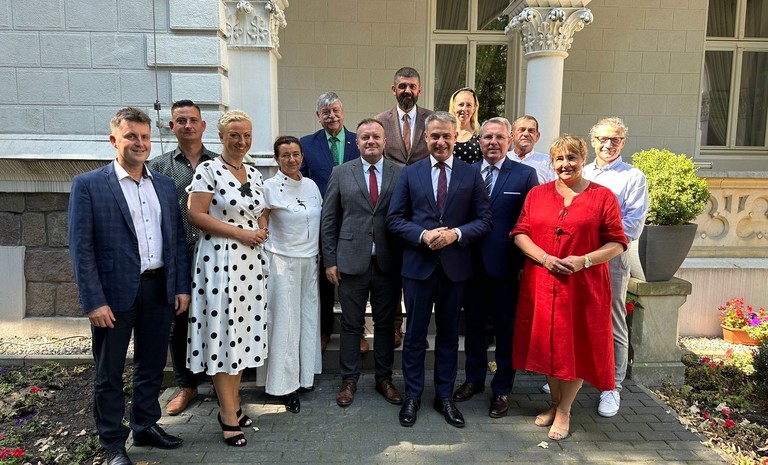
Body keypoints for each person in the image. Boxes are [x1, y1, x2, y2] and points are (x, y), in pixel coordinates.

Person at [69, 107, 190, 465]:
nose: (139, 143)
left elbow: (176, 240)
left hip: (159, 288)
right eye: (131, 137)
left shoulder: (164, 185)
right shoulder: (89, 184)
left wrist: (180, 287)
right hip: (113, 295)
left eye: (144, 137)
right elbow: (81, 248)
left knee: (151, 364)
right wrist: (93, 301)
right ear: (114, 140)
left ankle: (145, 425)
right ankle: (112, 443)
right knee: (109, 372)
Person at [511, 134, 627, 441]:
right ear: (552, 162)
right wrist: (545, 258)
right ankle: (553, 402)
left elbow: (617, 242)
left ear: (583, 159)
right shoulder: (537, 194)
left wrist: (584, 260)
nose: (565, 164)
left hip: (584, 286)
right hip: (542, 282)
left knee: (576, 345)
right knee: (548, 344)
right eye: (559, 158)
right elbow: (520, 233)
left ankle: (564, 410)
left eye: (572, 157)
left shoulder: (603, 197)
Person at [387, 111, 492, 428]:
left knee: (448, 337)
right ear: (425, 137)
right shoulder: (410, 173)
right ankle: (413, 396)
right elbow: (394, 219)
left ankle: (444, 396)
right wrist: (422, 235)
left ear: (455, 137)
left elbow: (484, 220)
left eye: (447, 136)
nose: (441, 141)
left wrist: (455, 234)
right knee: (415, 336)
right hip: (418, 269)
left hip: (455, 269)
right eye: (435, 136)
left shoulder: (471, 174)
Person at [186, 110, 269, 447]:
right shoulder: (208, 169)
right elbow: (195, 214)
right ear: (221, 137)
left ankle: (233, 405)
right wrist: (241, 233)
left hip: (249, 264)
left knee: (242, 335)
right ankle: (227, 415)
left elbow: (261, 211)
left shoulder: (255, 172)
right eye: (234, 135)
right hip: (220, 262)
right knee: (224, 336)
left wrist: (260, 228)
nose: (241, 141)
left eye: (246, 135)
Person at [451, 118, 538, 418]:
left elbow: (532, 223)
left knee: (505, 331)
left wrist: (525, 264)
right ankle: (474, 380)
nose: (493, 143)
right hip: (470, 266)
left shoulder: (525, 175)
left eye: (499, 137)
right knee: (474, 328)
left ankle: (502, 389)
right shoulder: (466, 173)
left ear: (509, 140)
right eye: (487, 137)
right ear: (479, 141)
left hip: (507, 268)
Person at [321, 119, 404, 408]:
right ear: (356, 142)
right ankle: (349, 380)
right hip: (350, 261)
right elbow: (329, 219)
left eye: (376, 137)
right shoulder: (341, 172)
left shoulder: (400, 173)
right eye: (365, 137)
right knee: (351, 324)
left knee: (385, 324)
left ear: (385, 141)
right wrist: (330, 260)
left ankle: (384, 379)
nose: (371, 141)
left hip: (388, 262)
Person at [148, 99, 216, 416]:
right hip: (178, 253)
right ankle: (187, 384)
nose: (188, 125)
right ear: (172, 126)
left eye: (193, 120)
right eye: (181, 121)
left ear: (203, 126)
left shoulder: (219, 164)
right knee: (180, 319)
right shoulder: (158, 167)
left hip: (215, 253)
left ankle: (220, 381)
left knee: (217, 315)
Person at [583, 117, 649, 418]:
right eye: (603, 139)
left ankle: (612, 386)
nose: (609, 144)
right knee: (578, 316)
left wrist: (591, 236)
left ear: (623, 142)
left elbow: (631, 225)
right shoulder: (582, 173)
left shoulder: (633, 177)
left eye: (616, 139)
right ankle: (574, 374)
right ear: (593, 141)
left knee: (613, 321)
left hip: (611, 258)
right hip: (578, 259)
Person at [262, 135, 323, 414]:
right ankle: (285, 386)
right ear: (277, 159)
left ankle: (305, 376)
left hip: (309, 261)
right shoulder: (268, 187)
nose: (291, 159)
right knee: (285, 325)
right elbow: (261, 223)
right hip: (282, 262)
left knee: (308, 321)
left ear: (302, 156)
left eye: (296, 154)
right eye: (285, 155)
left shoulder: (311, 185)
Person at [300, 92, 364, 354]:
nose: (332, 116)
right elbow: (301, 180)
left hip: (354, 220)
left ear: (343, 112)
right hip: (322, 221)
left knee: (355, 280)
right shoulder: (307, 144)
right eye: (326, 112)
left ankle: (357, 331)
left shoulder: (357, 141)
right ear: (318, 116)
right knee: (325, 280)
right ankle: (324, 330)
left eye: (336, 110)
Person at [376, 67, 434, 346]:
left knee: (418, 271)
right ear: (394, 89)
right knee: (392, 270)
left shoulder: (431, 120)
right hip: (391, 204)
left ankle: (416, 327)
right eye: (402, 86)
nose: (407, 91)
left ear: (419, 90)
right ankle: (395, 326)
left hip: (424, 207)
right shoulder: (380, 121)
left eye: (412, 86)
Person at [507, 115, 556, 185]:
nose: (526, 134)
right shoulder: (502, 159)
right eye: (522, 130)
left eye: (531, 131)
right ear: (512, 135)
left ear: (537, 136)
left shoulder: (548, 162)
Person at [448, 87, 481, 164]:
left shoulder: (479, 135)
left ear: (474, 109)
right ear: (454, 107)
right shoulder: (444, 133)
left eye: (469, 105)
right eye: (461, 104)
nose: (464, 109)